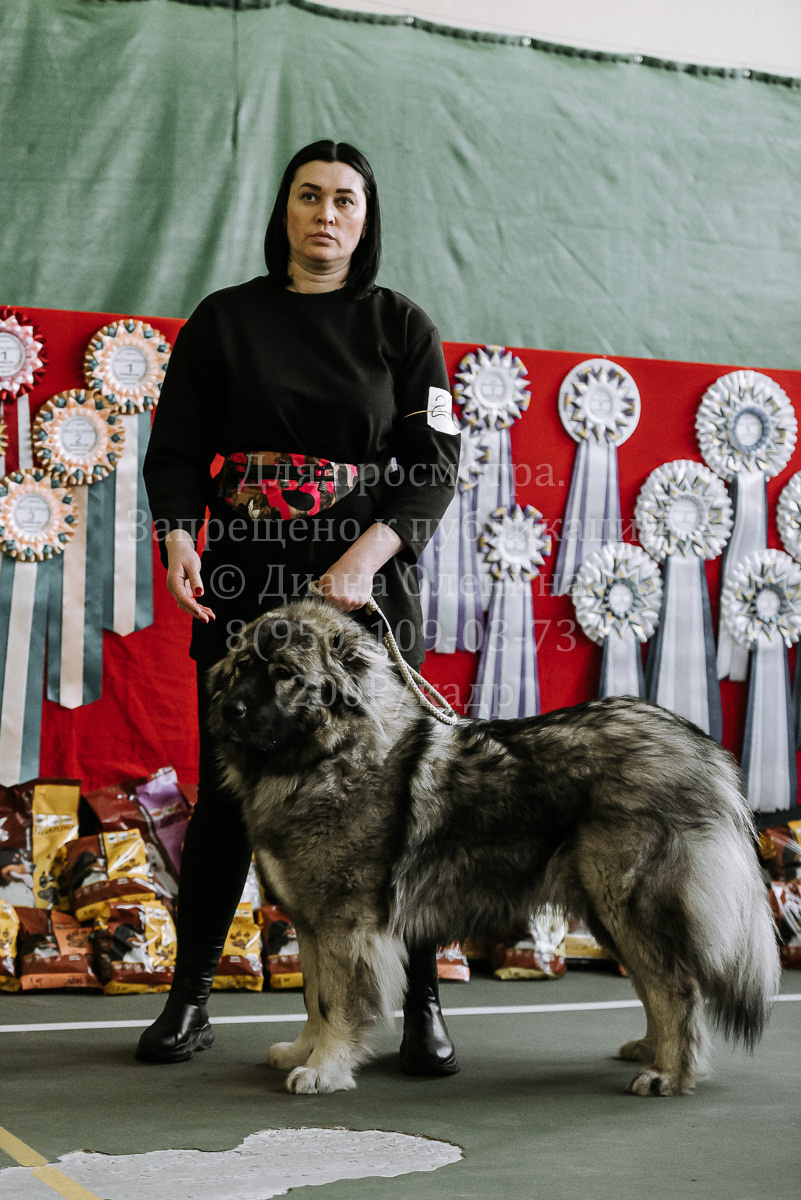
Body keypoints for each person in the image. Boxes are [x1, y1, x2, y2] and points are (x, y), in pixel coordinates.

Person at [138, 140, 462, 1075]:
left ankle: (420, 1009)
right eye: (309, 196)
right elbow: (175, 453)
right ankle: (189, 997)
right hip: (241, 584)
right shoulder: (223, 321)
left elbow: (433, 467)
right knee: (228, 801)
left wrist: (365, 557)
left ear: (367, 218)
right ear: (283, 210)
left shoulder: (401, 327)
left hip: (364, 588)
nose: (326, 214)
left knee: (393, 804)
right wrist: (179, 534)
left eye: (345, 200)